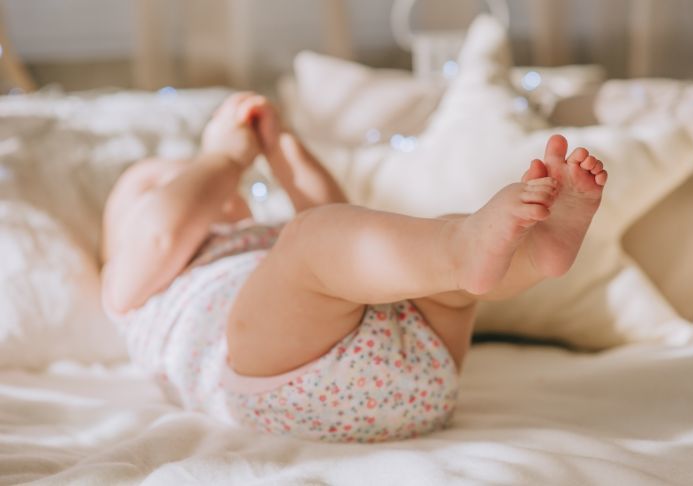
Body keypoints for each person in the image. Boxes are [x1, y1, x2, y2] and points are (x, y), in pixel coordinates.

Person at [101, 92, 607, 443]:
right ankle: (464, 250)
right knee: (314, 239)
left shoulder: (265, 244)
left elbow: (342, 225)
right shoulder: (136, 289)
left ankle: (531, 255)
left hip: (413, 367)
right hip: (266, 377)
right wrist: (221, 158)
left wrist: (283, 150)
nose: (206, 191)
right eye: (168, 185)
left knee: (406, 254)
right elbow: (160, 234)